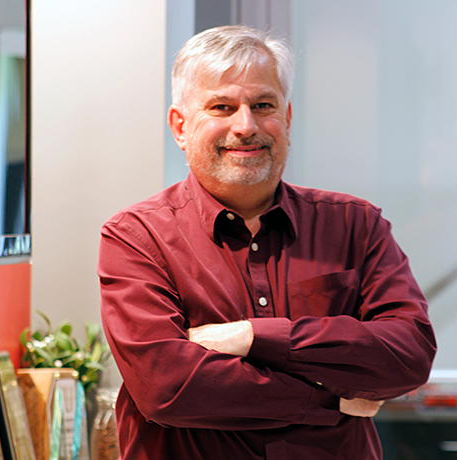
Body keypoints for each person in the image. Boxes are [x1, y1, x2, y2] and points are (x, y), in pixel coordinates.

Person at [98, 25, 436, 460]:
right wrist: (329, 400)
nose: (246, 126)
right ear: (180, 126)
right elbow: (168, 386)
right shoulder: (136, 237)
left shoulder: (357, 226)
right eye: (222, 106)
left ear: (288, 118)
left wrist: (254, 337)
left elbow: (408, 355)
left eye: (263, 105)